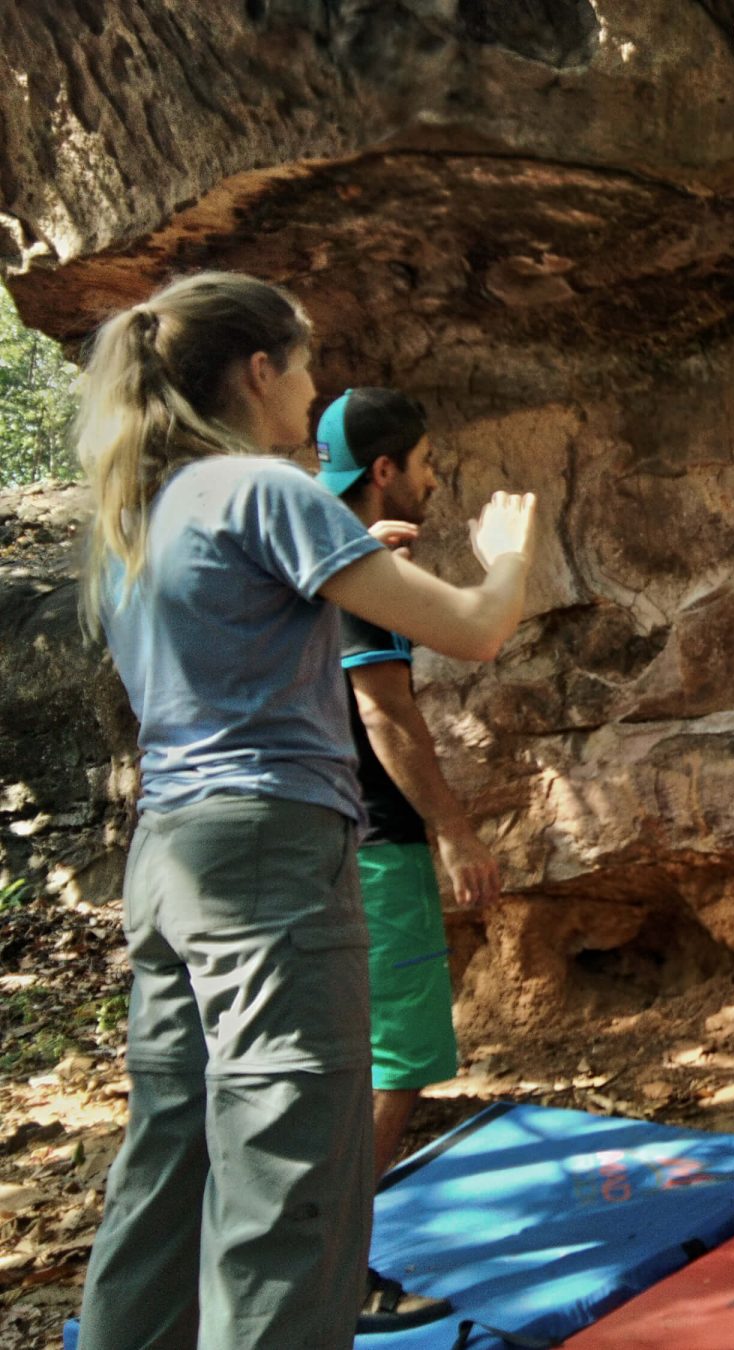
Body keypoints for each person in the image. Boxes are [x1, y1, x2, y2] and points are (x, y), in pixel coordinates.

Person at [72, 271, 536, 1348]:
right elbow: (473, 628)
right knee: (291, 1173)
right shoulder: (261, 490)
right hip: (269, 859)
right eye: (309, 362)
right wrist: (510, 559)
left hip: (171, 861)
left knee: (171, 1157)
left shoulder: (143, 508)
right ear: (259, 370)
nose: (316, 387)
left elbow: (238, 623)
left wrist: (352, 555)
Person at [312, 387, 500, 1184]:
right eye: (423, 464)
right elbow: (385, 712)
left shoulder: (303, 544)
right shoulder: (365, 574)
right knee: (400, 1054)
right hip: (374, 844)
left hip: (310, 832)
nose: (432, 480)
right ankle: (336, 1258)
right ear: (383, 468)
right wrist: (454, 832)